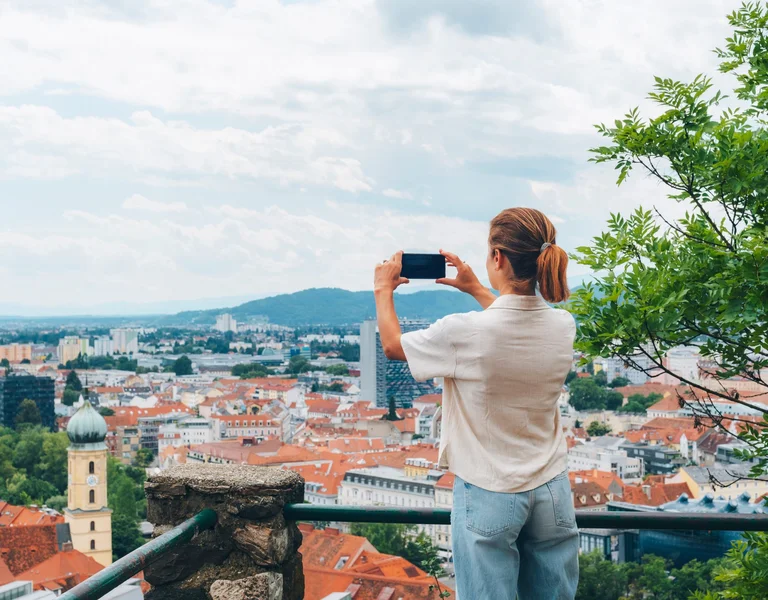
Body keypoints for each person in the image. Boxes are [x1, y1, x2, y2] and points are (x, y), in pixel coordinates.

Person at [373, 207, 578, 600]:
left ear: (497, 257)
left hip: (490, 488)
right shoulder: (562, 326)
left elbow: (393, 346)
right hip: (552, 488)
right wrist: (475, 289)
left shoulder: (463, 332)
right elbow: (511, 320)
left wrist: (383, 289)